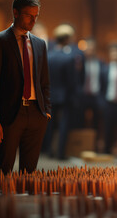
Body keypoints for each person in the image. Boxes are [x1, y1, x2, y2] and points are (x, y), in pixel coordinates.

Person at [0, 0, 51, 174]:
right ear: (15, 12)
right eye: (29, 15)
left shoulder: (39, 44)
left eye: (36, 16)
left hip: (37, 113)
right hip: (10, 114)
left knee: (29, 173)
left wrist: (47, 112)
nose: (33, 21)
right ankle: (2, 202)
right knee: (4, 170)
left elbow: (44, 82)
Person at [42, 24, 76, 159]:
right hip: (65, 96)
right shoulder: (69, 58)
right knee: (63, 125)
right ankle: (60, 153)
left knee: (50, 125)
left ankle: (49, 150)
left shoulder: (48, 56)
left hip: (50, 95)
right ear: (67, 39)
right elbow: (72, 81)